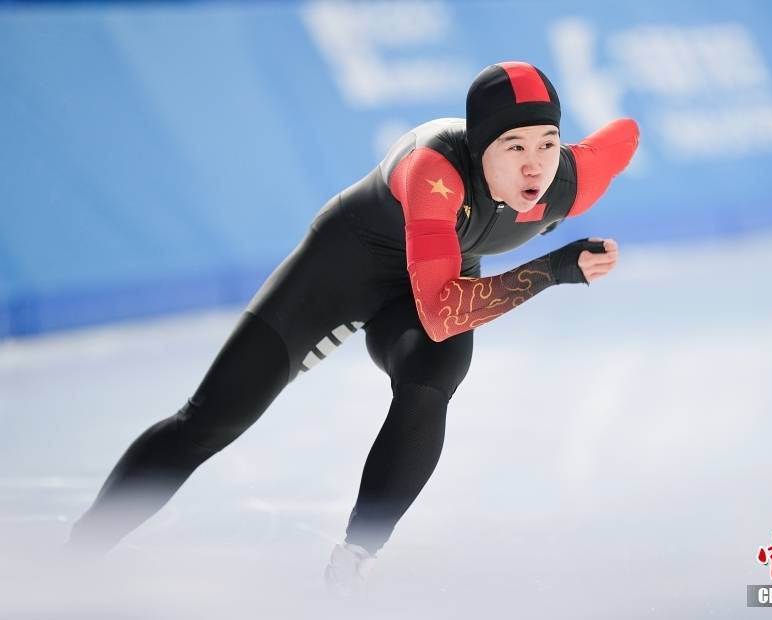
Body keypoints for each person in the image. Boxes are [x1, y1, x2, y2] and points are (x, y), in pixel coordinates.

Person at [67, 61, 639, 593]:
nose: (535, 165)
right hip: (345, 268)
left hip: (432, 280)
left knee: (429, 386)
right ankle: (77, 554)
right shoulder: (434, 169)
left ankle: (354, 558)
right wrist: (549, 271)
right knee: (210, 421)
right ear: (477, 144)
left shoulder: (571, 180)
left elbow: (625, 136)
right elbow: (442, 310)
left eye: (547, 143)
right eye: (514, 146)